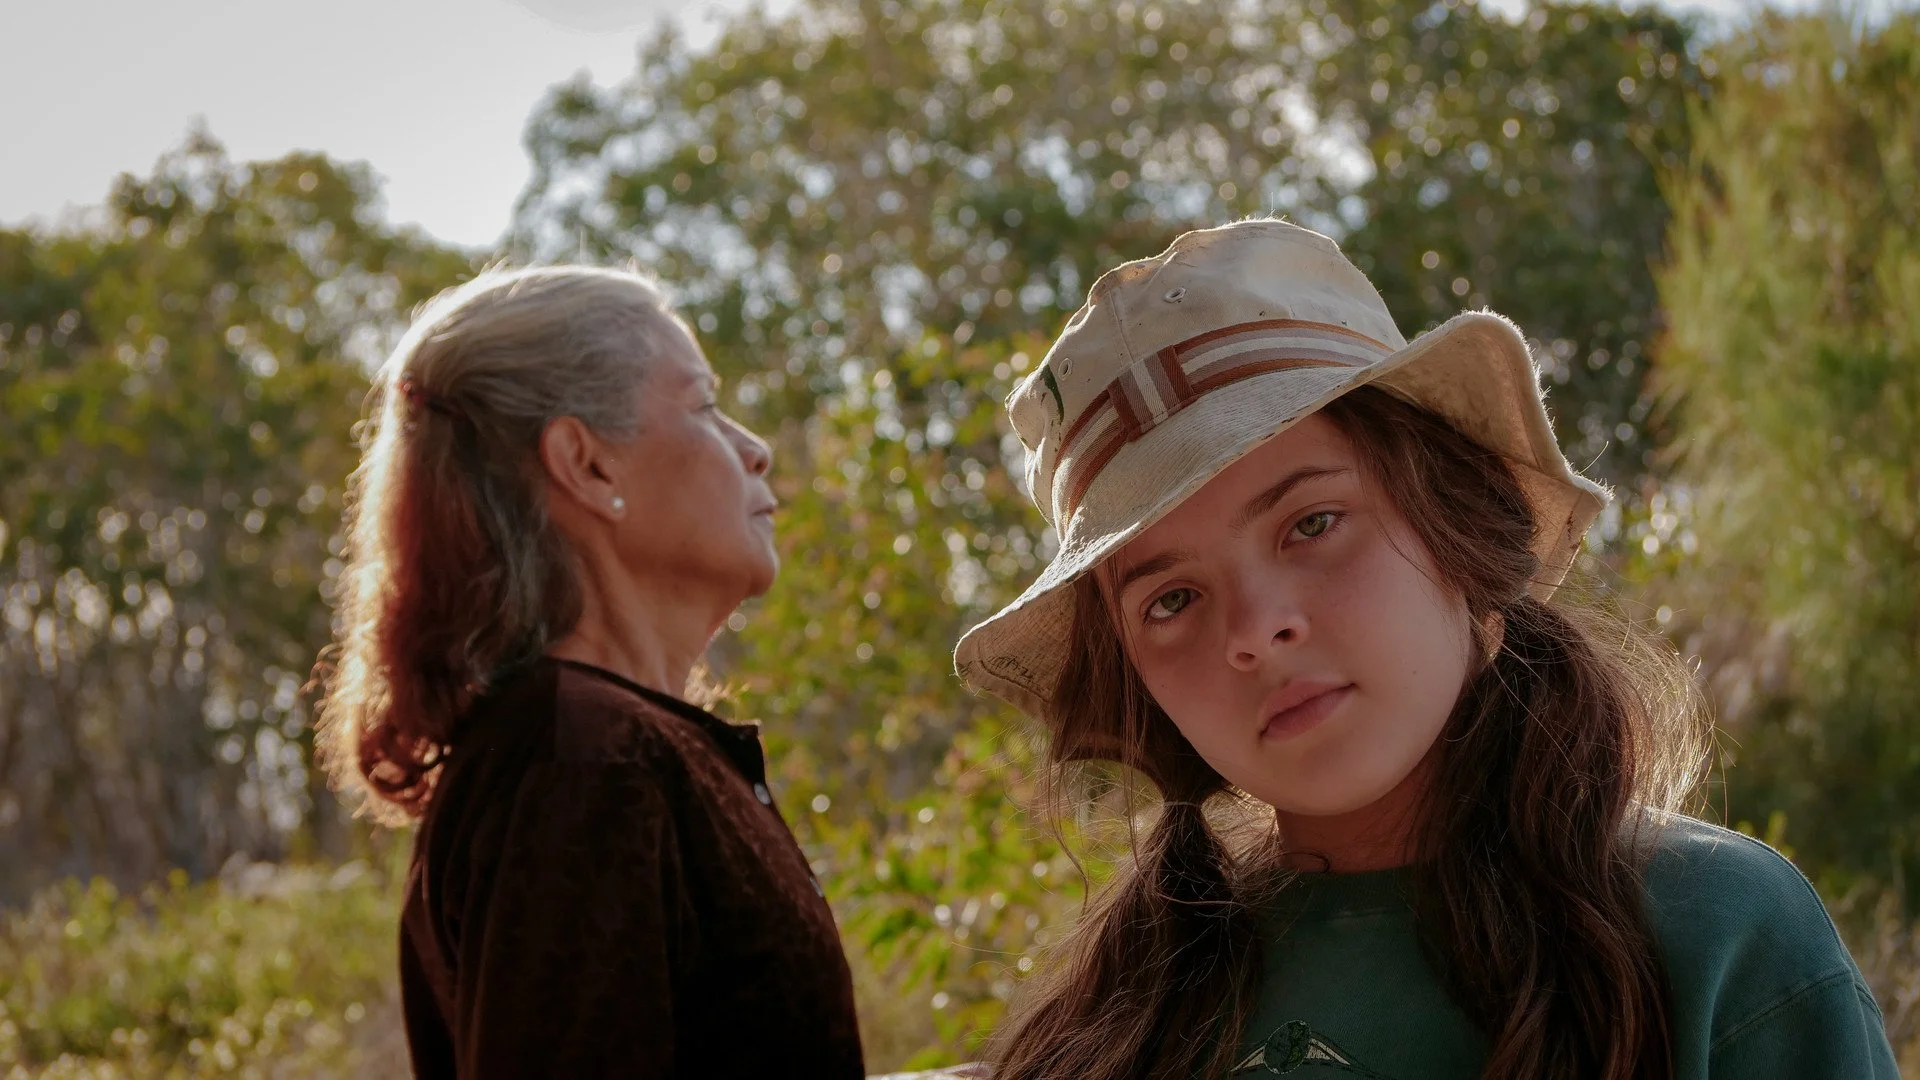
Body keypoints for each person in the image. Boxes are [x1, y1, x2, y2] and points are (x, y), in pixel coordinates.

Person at [953, 219, 1897, 1080]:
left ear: (1454, 518)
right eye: (1171, 600)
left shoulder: (1714, 938)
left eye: (1311, 523)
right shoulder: (1117, 1029)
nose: (1254, 631)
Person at [310, 266, 865, 1078]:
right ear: (588, 465)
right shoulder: (586, 764)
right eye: (704, 406)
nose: (755, 449)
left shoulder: (598, 748)